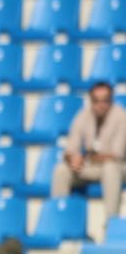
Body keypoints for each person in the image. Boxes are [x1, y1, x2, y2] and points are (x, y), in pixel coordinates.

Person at [52, 82, 126, 220]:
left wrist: (85, 158)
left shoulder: (122, 116)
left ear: (111, 100)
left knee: (110, 168)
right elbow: (69, 149)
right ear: (91, 101)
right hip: (92, 166)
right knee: (61, 170)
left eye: (105, 100)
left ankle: (111, 224)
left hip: (119, 167)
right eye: (96, 100)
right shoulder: (83, 115)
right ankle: (60, 220)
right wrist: (72, 159)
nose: (101, 104)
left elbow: (116, 155)